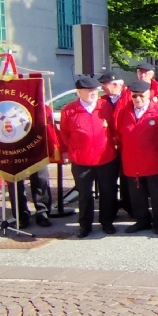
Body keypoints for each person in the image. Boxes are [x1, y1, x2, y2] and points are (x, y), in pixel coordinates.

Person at [59, 75, 118, 238]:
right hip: (81, 160)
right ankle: (85, 225)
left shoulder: (104, 106)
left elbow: (113, 128)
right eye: (89, 91)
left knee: (107, 192)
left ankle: (107, 222)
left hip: (105, 158)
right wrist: (72, 149)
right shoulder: (69, 110)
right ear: (79, 92)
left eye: (95, 90)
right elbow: (64, 134)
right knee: (85, 194)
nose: (93, 93)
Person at [118, 79, 158, 235]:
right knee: (137, 195)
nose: (138, 99)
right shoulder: (124, 112)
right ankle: (142, 220)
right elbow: (118, 135)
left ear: (148, 94)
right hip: (132, 161)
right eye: (135, 96)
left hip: (154, 162)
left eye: (141, 96)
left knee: (157, 195)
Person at [99, 73, 132, 220]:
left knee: (128, 177)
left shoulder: (130, 97)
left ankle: (130, 206)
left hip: (127, 144)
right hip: (109, 145)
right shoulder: (102, 101)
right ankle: (111, 209)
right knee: (109, 178)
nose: (103, 87)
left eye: (105, 84)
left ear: (116, 84)